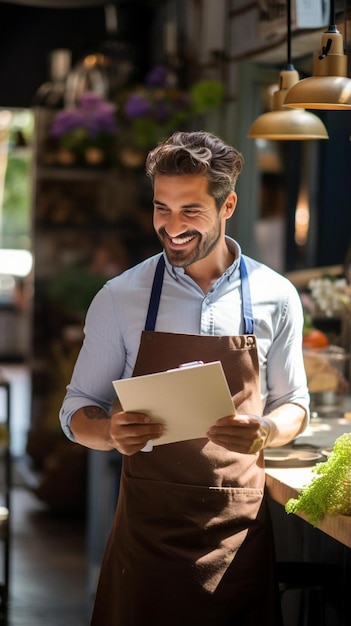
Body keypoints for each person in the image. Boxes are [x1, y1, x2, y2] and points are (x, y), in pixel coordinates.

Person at [59, 130, 309, 626]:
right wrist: (108, 431)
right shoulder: (119, 297)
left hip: (236, 532)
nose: (172, 227)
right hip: (147, 536)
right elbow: (76, 408)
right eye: (161, 208)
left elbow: (295, 403)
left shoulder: (275, 296)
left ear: (228, 204)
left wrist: (267, 430)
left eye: (190, 210)